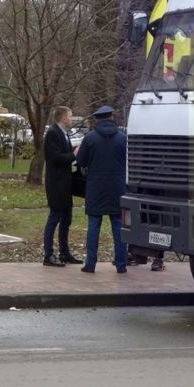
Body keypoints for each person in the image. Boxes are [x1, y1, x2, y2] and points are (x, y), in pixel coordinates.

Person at [75, 105, 128, 273]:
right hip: (118, 188)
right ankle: (121, 264)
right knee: (119, 226)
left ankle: (90, 264)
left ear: (97, 119)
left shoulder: (90, 138)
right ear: (112, 117)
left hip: (95, 187)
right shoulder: (123, 138)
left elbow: (81, 162)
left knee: (94, 225)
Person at [42, 106, 82, 267]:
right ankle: (48, 255)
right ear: (63, 117)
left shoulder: (63, 133)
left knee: (66, 219)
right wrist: (74, 154)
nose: (72, 119)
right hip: (56, 184)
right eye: (70, 116)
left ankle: (64, 253)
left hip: (65, 184)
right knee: (54, 218)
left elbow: (62, 155)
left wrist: (73, 154)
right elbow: (55, 158)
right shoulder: (52, 133)